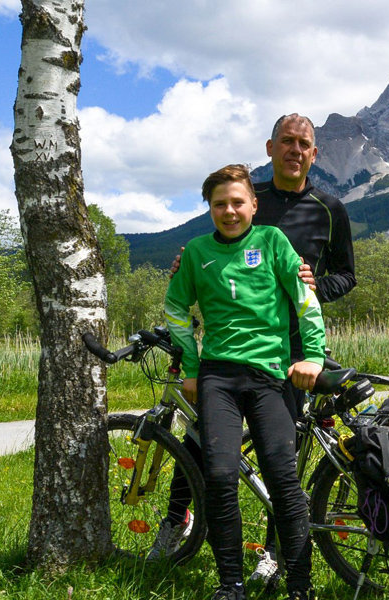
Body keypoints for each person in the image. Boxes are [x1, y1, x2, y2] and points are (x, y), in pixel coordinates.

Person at [153, 114, 356, 586]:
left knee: (283, 467)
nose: (295, 149)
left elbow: (345, 275)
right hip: (224, 360)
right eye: (287, 141)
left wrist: (313, 284)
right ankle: (181, 525)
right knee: (206, 452)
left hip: (288, 354)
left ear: (314, 153)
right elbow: (216, 247)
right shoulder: (248, 197)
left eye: (304, 143)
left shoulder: (329, 208)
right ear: (270, 147)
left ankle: (276, 558)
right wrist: (193, 261)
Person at [165, 163, 323, 600]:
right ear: (209, 209)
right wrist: (193, 368)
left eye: (238, 202)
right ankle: (230, 584)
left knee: (282, 478)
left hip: (270, 377)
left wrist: (312, 355)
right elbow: (176, 309)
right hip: (217, 377)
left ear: (254, 204)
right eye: (220, 204)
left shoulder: (273, 241)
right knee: (218, 475)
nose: (229, 211)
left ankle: (300, 586)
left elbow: (305, 299)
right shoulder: (196, 252)